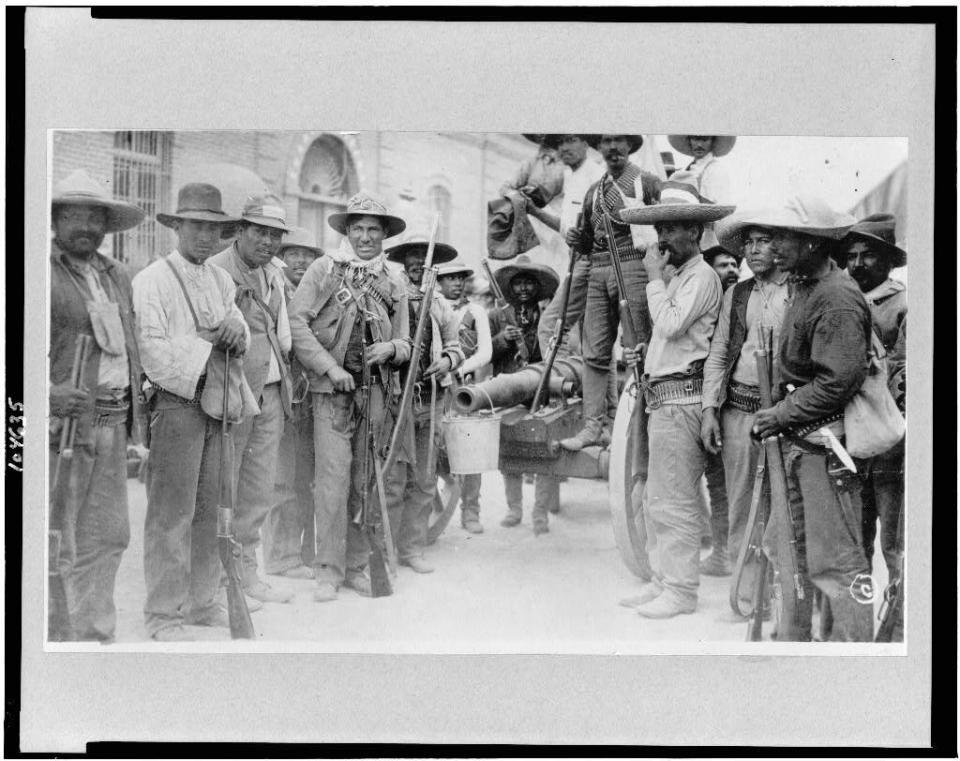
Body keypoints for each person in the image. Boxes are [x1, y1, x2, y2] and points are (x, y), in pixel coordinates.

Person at [750, 195, 875, 642]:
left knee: (837, 567)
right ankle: (795, 646)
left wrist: (780, 412)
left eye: (786, 236)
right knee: (787, 551)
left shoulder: (836, 297)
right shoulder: (805, 286)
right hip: (800, 448)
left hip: (825, 452)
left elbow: (838, 382)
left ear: (814, 244)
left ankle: (856, 666)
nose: (776, 245)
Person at [133, 183, 251, 641]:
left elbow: (237, 325)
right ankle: (163, 614)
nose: (205, 236)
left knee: (212, 509)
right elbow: (153, 353)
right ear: (177, 226)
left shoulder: (222, 280)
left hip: (218, 404)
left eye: (214, 229)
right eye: (196, 226)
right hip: (177, 403)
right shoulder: (152, 280)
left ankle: (203, 601)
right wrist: (209, 345)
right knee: (171, 514)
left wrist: (235, 329)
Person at [288, 192, 412, 602]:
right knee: (332, 483)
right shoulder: (325, 270)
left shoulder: (394, 281)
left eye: (372, 229)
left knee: (365, 483)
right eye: (357, 228)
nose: (364, 237)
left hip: (375, 393)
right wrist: (329, 367)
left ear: (383, 235)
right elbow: (296, 323)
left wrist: (391, 350)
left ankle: (358, 567)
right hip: (330, 394)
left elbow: (408, 342)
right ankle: (328, 571)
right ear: (347, 231)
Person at [617, 179, 732, 619]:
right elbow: (666, 341)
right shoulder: (681, 277)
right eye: (661, 229)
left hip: (682, 399)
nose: (663, 238)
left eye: (674, 229)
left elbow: (669, 325)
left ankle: (681, 591)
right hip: (664, 397)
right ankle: (665, 581)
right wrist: (643, 356)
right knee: (657, 498)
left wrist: (650, 279)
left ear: (697, 233)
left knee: (676, 500)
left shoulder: (700, 277)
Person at [48, 170, 147, 642]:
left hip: (113, 420)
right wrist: (46, 391)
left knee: (107, 534)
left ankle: (94, 632)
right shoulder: (36, 271)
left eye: (94, 216)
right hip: (61, 427)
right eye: (74, 215)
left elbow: (131, 347)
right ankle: (50, 640)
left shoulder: (117, 275)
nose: (84, 225)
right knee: (55, 536)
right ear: (55, 220)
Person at [208, 196, 294, 604]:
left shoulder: (275, 273)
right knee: (226, 486)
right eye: (259, 231)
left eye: (275, 234)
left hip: (272, 392)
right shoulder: (218, 269)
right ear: (239, 231)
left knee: (259, 487)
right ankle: (220, 581)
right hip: (233, 393)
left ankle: (247, 572)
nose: (267, 241)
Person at [703, 216, 790, 608]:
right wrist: (709, 409)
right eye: (750, 242)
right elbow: (719, 353)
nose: (754, 250)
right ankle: (744, 592)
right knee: (741, 503)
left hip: (785, 415)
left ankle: (779, 595)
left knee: (780, 505)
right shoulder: (736, 294)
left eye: (764, 241)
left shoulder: (797, 292)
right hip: (738, 410)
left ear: (781, 247)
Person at [559, 134, 662, 451]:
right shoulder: (593, 191)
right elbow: (589, 243)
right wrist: (578, 239)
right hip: (597, 270)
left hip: (634, 265)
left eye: (619, 140)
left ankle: (645, 423)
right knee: (594, 351)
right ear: (598, 148)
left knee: (639, 347)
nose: (613, 147)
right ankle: (594, 426)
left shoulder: (647, 183)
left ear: (630, 145)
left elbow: (667, 227)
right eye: (606, 141)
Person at [383, 238, 464, 573]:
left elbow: (456, 348)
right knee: (394, 477)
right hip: (396, 398)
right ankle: (386, 548)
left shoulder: (441, 305)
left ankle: (412, 548)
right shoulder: (391, 294)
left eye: (426, 260)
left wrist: (446, 360)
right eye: (414, 258)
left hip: (430, 398)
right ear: (404, 262)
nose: (420, 264)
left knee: (425, 478)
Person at [843, 212, 906, 641]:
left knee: (895, 542)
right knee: (856, 539)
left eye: (869, 256)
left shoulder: (902, 305)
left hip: (891, 440)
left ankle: (900, 629)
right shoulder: (847, 299)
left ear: (887, 262)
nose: (859, 264)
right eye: (852, 256)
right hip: (852, 439)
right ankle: (862, 623)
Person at [259, 227, 324, 580]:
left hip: (311, 399)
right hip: (282, 393)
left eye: (307, 255)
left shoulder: (317, 293)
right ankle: (280, 556)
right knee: (281, 477)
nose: (300, 260)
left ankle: (303, 552)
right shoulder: (275, 290)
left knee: (307, 478)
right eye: (293, 253)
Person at [490, 256, 560, 534]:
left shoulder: (548, 317)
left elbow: (555, 352)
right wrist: (502, 340)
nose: (522, 289)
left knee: (543, 453)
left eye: (528, 283)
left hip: (540, 392)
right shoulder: (497, 316)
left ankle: (540, 512)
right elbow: (484, 353)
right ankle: (514, 508)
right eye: (517, 283)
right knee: (509, 453)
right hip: (507, 392)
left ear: (537, 287)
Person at [530, 134, 606, 368]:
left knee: (551, 325)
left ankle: (559, 388)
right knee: (594, 339)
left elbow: (591, 226)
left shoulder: (595, 175)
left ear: (585, 143)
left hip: (591, 258)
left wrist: (536, 212)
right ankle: (608, 403)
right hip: (580, 258)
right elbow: (567, 226)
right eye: (560, 143)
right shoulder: (571, 176)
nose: (564, 148)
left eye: (571, 140)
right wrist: (534, 210)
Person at [697, 242, 744, 575]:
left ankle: (732, 556)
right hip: (702, 401)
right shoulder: (700, 304)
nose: (732, 270)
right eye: (723, 265)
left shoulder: (741, 302)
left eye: (734, 265)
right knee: (716, 483)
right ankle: (720, 552)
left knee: (732, 484)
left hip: (733, 403)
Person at [438, 263, 491, 534]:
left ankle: (471, 511)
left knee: (470, 448)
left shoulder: (476, 311)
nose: (456, 283)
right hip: (436, 387)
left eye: (460, 278)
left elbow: (485, 352)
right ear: (439, 281)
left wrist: (459, 368)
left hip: (464, 387)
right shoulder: (432, 306)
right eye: (449, 279)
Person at [667, 135, 737, 249]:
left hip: (707, 236)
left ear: (712, 141)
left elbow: (722, 212)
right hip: (684, 234)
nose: (699, 145)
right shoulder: (684, 171)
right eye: (695, 139)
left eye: (704, 140)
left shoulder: (716, 170)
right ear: (689, 140)